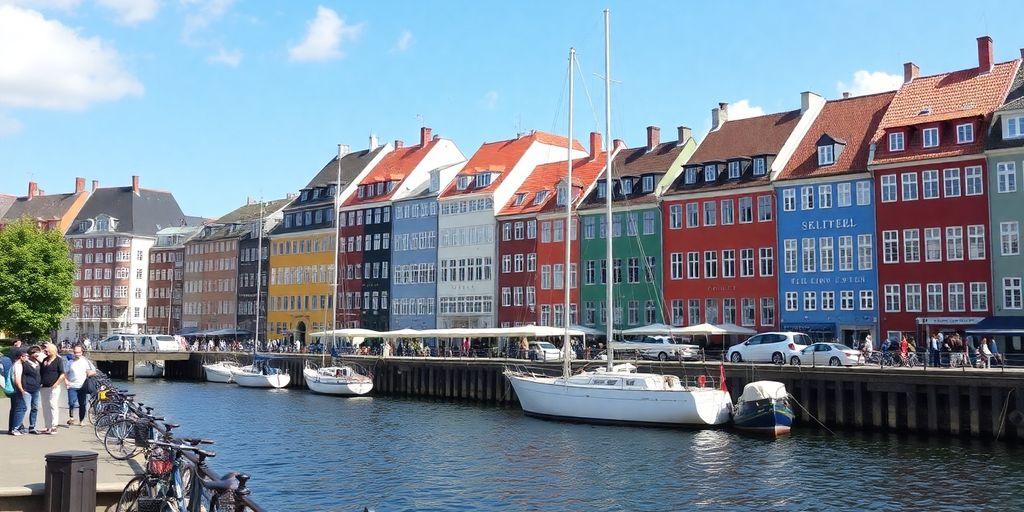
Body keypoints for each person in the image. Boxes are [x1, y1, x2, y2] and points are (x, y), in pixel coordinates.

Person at [66, 345, 96, 426]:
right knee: (71, 403)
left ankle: (81, 420)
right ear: (73, 352)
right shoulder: (70, 362)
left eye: (79, 352)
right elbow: (65, 373)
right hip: (72, 386)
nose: (77, 354)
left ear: (82, 352)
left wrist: (91, 373)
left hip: (83, 386)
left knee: (82, 404)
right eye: (75, 352)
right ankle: (71, 417)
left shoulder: (85, 361)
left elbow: (90, 371)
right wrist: (66, 381)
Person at [39, 343, 66, 434]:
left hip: (53, 386)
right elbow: (41, 372)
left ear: (52, 350)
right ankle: (48, 426)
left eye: (47, 351)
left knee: (52, 405)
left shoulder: (58, 360)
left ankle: (54, 425)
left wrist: (56, 383)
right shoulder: (45, 360)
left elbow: (62, 374)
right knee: (45, 406)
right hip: (44, 386)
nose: (46, 352)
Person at [7, 348, 29, 435]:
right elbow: (17, 380)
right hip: (17, 389)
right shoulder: (18, 365)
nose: (27, 357)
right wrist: (22, 390)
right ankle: (15, 428)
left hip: (14, 389)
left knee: (15, 408)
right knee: (21, 408)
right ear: (21, 356)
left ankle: (12, 427)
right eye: (25, 356)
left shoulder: (15, 364)